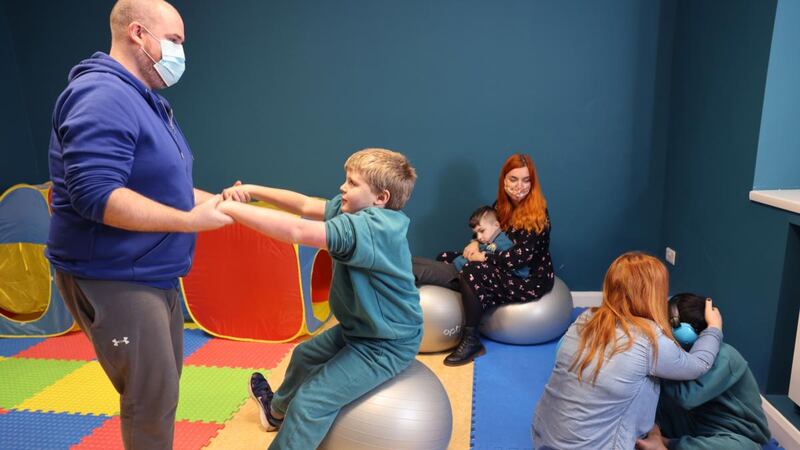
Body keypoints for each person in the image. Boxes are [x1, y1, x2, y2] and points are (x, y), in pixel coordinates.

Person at [46, 1, 236, 448]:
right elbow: (98, 196)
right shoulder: (103, 96)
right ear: (138, 34)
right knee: (149, 401)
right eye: (174, 41)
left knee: (161, 393)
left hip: (151, 270)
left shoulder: (145, 100)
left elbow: (162, 187)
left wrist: (229, 205)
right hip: (112, 272)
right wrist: (191, 221)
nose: (179, 53)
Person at [218, 148, 422, 450]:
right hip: (360, 329)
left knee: (310, 403)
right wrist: (252, 190)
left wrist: (231, 211)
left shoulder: (370, 228)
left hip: (386, 344)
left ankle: (288, 418)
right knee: (304, 356)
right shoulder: (354, 211)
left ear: (381, 198)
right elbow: (302, 204)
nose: (343, 187)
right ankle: (275, 413)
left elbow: (298, 230)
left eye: (352, 183)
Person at [531, 252, 724, 450]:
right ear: (653, 294)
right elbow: (698, 365)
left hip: (543, 438)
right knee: (650, 381)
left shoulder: (586, 318)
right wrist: (714, 329)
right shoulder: (650, 340)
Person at [412, 153, 554, 366]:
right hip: (498, 262)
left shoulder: (539, 214)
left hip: (526, 278)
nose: (519, 186)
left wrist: (482, 256)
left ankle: (471, 340)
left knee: (472, 270)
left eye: (526, 180)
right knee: (445, 256)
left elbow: (520, 258)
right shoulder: (500, 205)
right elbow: (486, 229)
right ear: (504, 180)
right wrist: (474, 243)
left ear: (532, 183)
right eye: (513, 179)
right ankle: (467, 288)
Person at [635, 293, 770, 450]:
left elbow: (685, 398)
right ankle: (658, 437)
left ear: (684, 333)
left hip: (731, 432)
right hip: (695, 422)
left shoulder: (725, 357)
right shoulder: (681, 350)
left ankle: (666, 444)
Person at [448, 205, 529, 278]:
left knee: (468, 264)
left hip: (505, 275)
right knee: (446, 256)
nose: (478, 237)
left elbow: (515, 266)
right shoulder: (487, 241)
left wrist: (460, 262)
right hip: (467, 266)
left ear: (496, 225)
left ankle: (455, 272)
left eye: (482, 231)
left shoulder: (502, 243)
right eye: (476, 233)